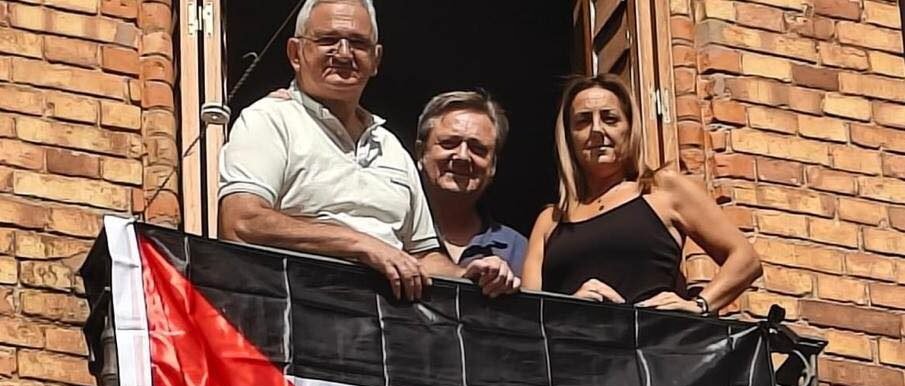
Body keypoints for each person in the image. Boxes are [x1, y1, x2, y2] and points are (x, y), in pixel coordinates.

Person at [218, 0, 519, 301]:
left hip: (384, 334)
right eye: (328, 40)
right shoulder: (269, 120)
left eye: (358, 43)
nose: (344, 53)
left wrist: (469, 274)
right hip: (295, 319)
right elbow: (241, 223)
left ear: (376, 59)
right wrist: (361, 245)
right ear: (296, 53)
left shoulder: (391, 147)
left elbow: (425, 256)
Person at [522, 74, 761, 315]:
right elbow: (527, 320)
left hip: (651, 346)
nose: (597, 129)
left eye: (610, 118)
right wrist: (570, 308)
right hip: (573, 348)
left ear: (629, 128)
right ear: (569, 136)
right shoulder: (550, 221)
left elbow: (746, 259)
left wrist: (700, 304)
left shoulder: (661, 190)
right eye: (583, 121)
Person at [415, 91, 528, 276]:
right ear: (420, 152)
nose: (462, 156)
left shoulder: (517, 250)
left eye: (478, 149)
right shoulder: (390, 227)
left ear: (493, 166)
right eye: (449, 143)